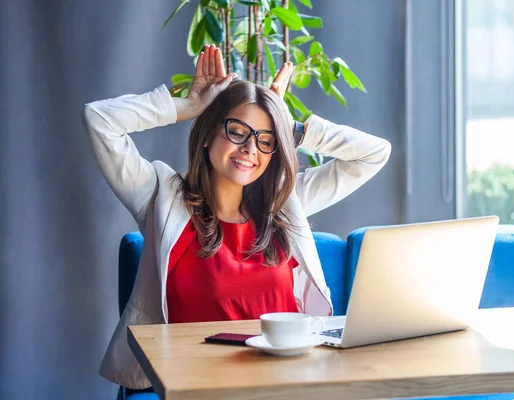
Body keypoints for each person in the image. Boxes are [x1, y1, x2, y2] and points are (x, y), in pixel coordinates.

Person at [82, 44, 391, 389]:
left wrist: (295, 128)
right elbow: (100, 120)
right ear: (207, 134)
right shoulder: (160, 198)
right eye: (237, 132)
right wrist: (189, 106)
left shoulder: (285, 203)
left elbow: (375, 154)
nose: (249, 150)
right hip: (200, 387)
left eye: (265, 140)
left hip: (288, 384)